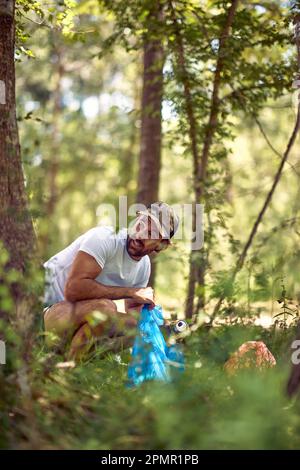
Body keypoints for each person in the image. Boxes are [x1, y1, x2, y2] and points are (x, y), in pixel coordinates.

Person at [43, 201, 179, 361]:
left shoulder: (144, 266)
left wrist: (156, 321)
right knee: (105, 309)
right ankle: (69, 371)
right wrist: (131, 292)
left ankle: (72, 360)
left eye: (150, 233)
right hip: (40, 315)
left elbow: (132, 312)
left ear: (161, 245)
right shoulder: (104, 238)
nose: (140, 233)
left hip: (72, 323)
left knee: (141, 326)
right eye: (141, 223)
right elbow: (73, 290)